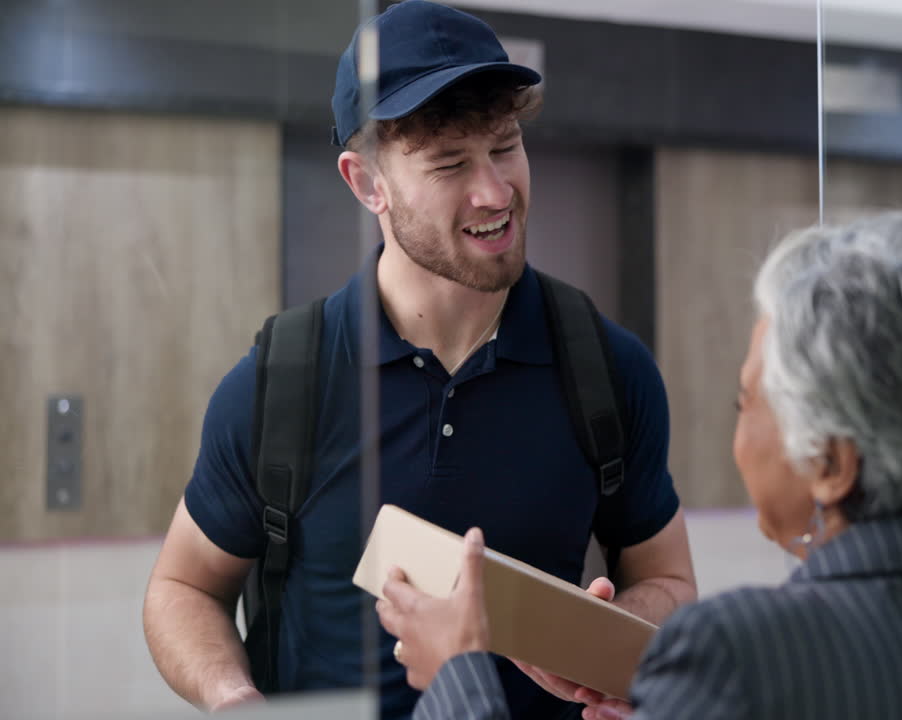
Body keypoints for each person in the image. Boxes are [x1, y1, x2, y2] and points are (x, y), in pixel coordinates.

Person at [141, 3, 696, 719]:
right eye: (449, 164)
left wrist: (608, 637)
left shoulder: (607, 370)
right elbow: (182, 589)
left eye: (504, 147)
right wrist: (238, 700)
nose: (495, 192)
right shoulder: (282, 382)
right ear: (365, 182)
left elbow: (671, 582)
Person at [378, 212, 902, 719]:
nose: (738, 432)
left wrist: (456, 674)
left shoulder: (736, 650)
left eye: (747, 400)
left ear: (829, 462)